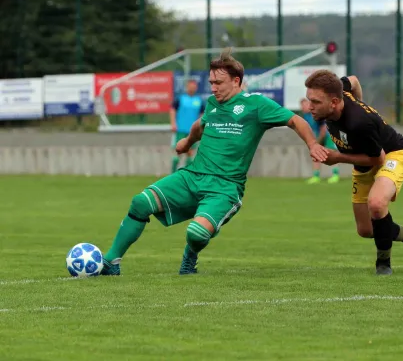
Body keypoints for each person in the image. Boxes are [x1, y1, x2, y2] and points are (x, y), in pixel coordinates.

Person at [101, 49, 329, 276]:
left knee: (196, 234)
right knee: (140, 202)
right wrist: (187, 142)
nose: (213, 88)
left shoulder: (257, 104)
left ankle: (190, 258)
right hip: (192, 176)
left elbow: (295, 120)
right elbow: (200, 125)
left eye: (219, 82)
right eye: (211, 82)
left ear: (236, 81)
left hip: (225, 187)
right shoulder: (212, 103)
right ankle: (111, 261)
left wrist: (312, 145)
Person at [304, 70, 403, 275]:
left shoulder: (359, 123)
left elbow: (378, 159)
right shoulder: (339, 93)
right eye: (309, 100)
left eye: (316, 102)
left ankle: (383, 264)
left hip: (391, 154)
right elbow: (353, 80)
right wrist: (360, 102)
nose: (310, 107)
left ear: (334, 102)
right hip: (364, 162)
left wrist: (338, 157)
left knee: (377, 203)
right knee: (366, 230)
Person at [300, 98, 340, 184]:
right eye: (301, 106)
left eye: (304, 105)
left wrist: (317, 142)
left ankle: (335, 175)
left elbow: (324, 128)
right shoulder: (305, 116)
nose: (303, 107)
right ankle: (316, 176)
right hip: (319, 136)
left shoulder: (316, 113)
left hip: (328, 135)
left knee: (332, 154)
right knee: (316, 155)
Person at [170, 79, 204, 173]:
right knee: (178, 152)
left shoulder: (199, 101)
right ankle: (172, 175)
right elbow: (172, 110)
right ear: (187, 87)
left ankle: (187, 176)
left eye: (194, 86)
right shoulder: (180, 98)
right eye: (190, 86)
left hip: (193, 131)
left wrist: (200, 128)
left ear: (196, 88)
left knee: (190, 153)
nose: (192, 88)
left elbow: (202, 115)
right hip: (180, 129)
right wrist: (173, 123)